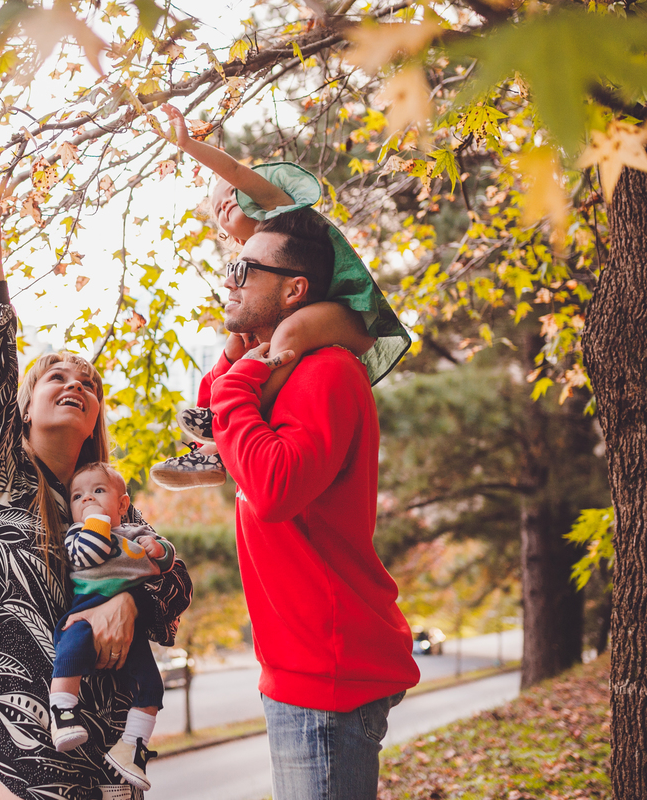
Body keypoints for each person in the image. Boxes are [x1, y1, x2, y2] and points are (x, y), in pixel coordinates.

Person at [0, 192, 192, 800]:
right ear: (25, 407)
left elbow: (176, 582)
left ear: (95, 417)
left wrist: (129, 602)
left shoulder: (109, 503)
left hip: (107, 752)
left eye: (89, 384)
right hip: (18, 743)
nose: (75, 385)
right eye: (56, 376)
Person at [199, 208, 420, 800]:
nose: (229, 280)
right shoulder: (283, 373)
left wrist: (235, 384)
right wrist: (239, 355)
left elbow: (274, 488)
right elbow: (210, 426)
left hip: (328, 676)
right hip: (301, 670)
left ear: (295, 290)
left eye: (245, 270)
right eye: (231, 267)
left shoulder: (327, 373)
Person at [149, 104, 411, 491]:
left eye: (230, 194)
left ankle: (223, 426)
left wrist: (187, 144)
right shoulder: (257, 253)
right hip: (310, 310)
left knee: (288, 336)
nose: (224, 204)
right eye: (217, 210)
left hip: (351, 313)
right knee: (248, 343)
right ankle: (214, 449)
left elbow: (235, 170)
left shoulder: (280, 211)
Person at [50, 463, 175, 791]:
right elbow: (91, 554)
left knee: (151, 684)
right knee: (70, 650)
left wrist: (159, 549)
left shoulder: (135, 532)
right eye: (78, 496)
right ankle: (63, 712)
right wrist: (96, 520)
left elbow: (168, 563)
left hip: (130, 625)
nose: (87, 499)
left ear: (122, 504)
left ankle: (132, 747)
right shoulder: (78, 533)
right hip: (86, 611)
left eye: (98, 491)